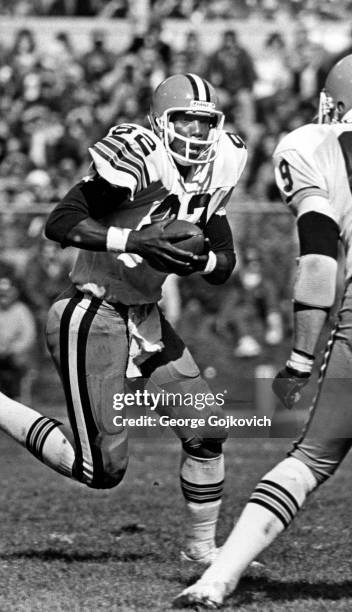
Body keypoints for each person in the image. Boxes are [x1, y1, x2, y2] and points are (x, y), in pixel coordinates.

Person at [0, 73, 247, 565]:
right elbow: (58, 222)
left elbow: (223, 259)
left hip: (145, 316)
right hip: (91, 310)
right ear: (160, 121)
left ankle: (202, 551)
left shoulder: (223, 161)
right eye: (185, 119)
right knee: (99, 469)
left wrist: (199, 261)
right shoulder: (140, 155)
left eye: (204, 122)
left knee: (207, 430)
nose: (196, 132)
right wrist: (136, 241)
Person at [174, 55, 352, 608]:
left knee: (312, 457)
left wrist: (301, 358)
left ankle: (216, 578)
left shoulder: (309, 144)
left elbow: (320, 262)